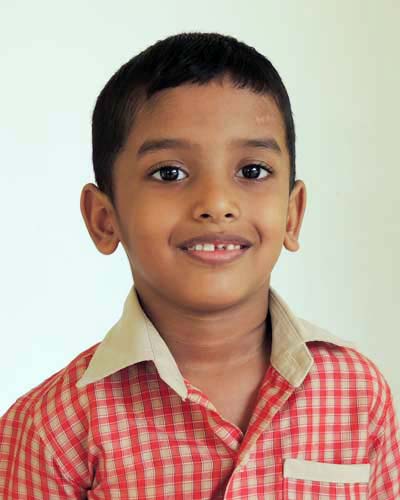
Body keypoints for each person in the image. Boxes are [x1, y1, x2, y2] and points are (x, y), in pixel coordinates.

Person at [1, 31, 399, 500]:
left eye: (252, 171)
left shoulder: (357, 393)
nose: (216, 203)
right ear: (105, 219)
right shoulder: (51, 431)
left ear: (292, 215)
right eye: (169, 173)